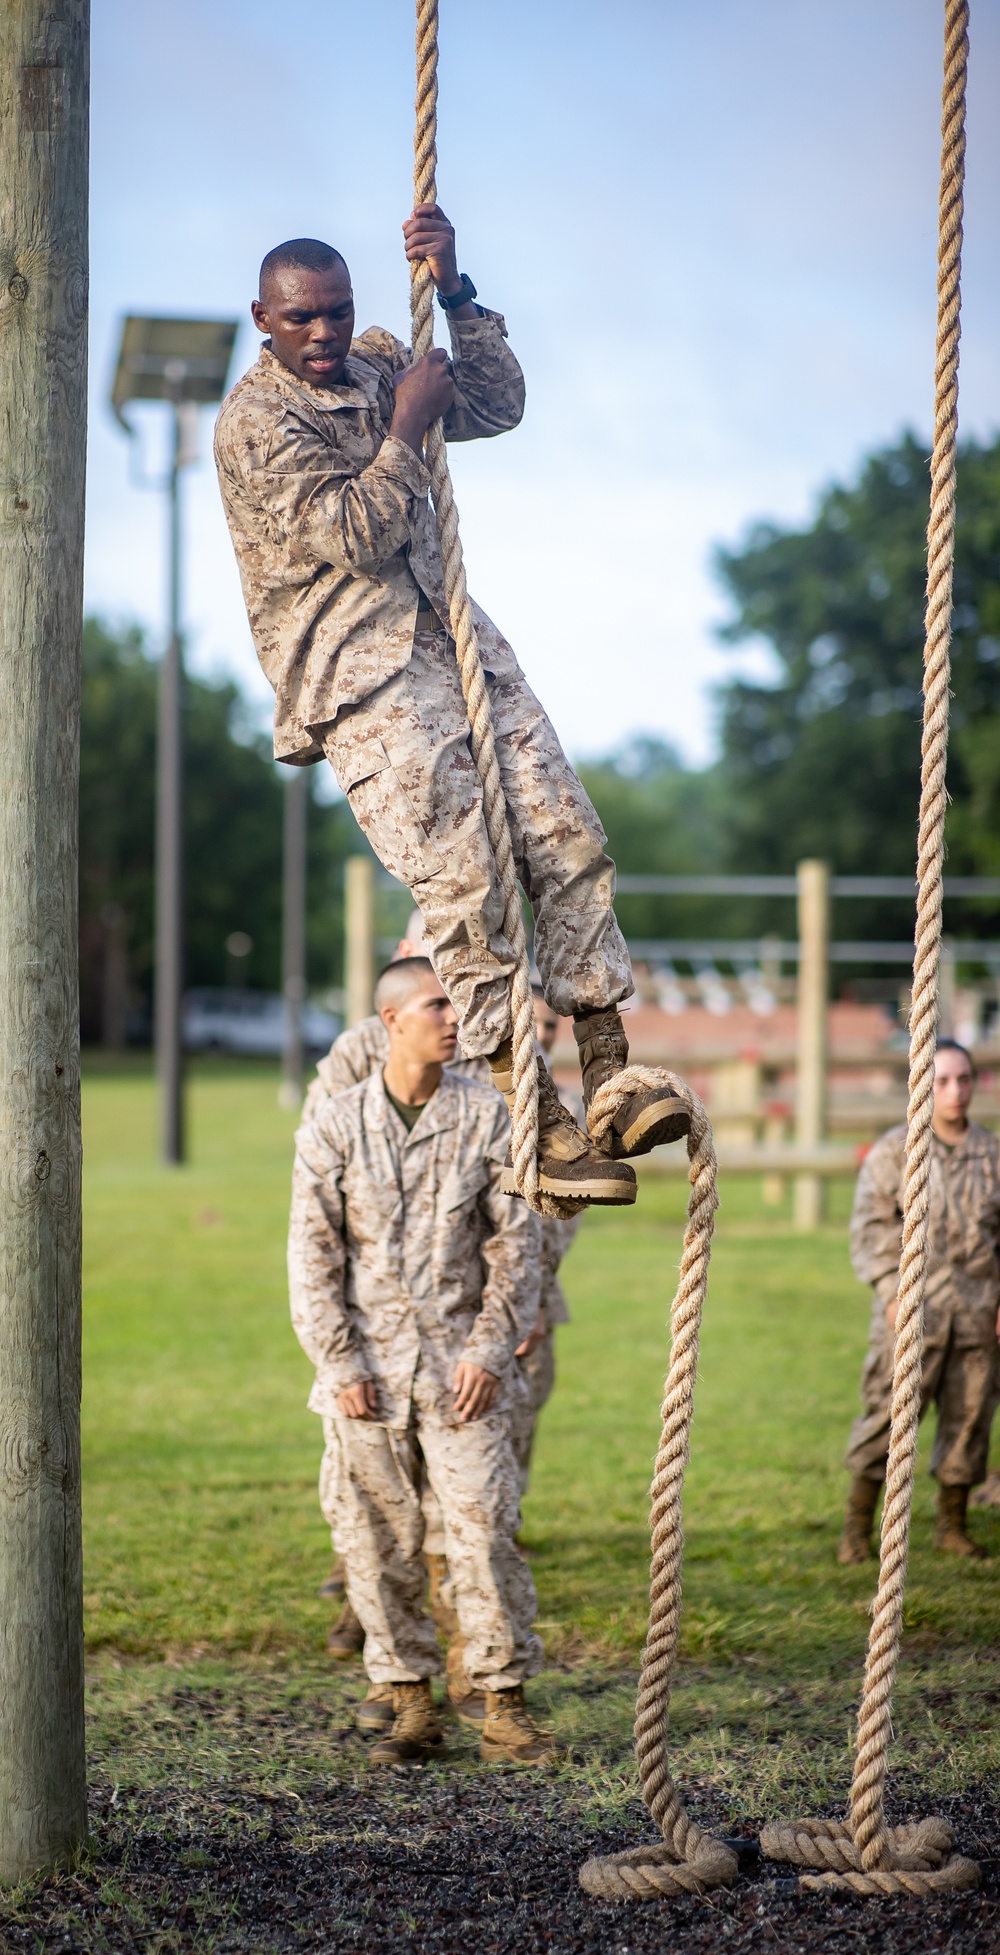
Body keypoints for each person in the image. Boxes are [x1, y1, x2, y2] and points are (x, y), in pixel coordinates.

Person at [214, 209, 690, 1206]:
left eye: (339, 312)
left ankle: (611, 1068)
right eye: (302, 318)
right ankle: (537, 1118)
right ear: (264, 317)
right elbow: (354, 533)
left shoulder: (387, 361)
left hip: (455, 640)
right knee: (465, 886)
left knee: (564, 833)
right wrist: (404, 428)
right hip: (361, 674)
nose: (326, 333)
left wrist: (459, 292)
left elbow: (500, 403)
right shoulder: (252, 425)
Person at [289, 955, 559, 1765]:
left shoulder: (488, 1117)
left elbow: (519, 1249)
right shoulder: (333, 1126)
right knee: (376, 1541)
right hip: (364, 1380)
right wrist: (339, 1366)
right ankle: (409, 1702)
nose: (455, 1019)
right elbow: (312, 1259)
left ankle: (504, 1704)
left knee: (482, 1534)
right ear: (391, 1022)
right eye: (438, 1005)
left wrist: (487, 1350)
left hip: (461, 1376)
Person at [838, 1039, 1000, 1564]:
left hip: (978, 1314)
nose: (955, 1092)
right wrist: (890, 1290)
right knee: (886, 1418)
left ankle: (953, 1524)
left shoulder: (992, 1154)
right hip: (911, 1314)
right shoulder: (897, 1151)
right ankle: (856, 1531)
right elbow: (871, 1228)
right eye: (942, 1081)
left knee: (971, 1419)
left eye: (964, 1079)